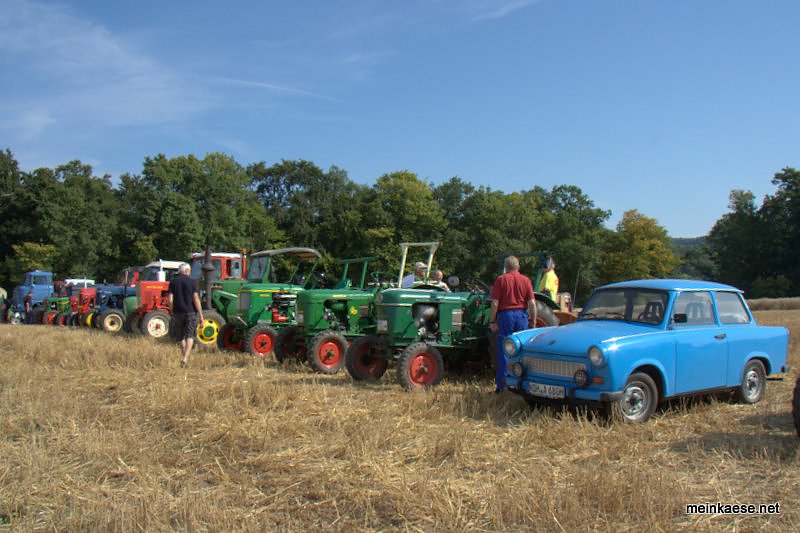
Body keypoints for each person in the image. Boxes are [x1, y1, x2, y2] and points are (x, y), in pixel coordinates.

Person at [488, 256, 537, 393]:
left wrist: (492, 321)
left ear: (506, 267)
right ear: (518, 267)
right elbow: (532, 303)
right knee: (522, 349)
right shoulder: (526, 280)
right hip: (521, 316)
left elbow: (495, 303)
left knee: (505, 349)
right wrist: (533, 321)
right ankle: (523, 384)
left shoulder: (501, 279)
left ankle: (502, 386)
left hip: (506, 316)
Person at [168, 263, 204, 368]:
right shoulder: (192, 282)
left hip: (177, 312)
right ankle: (185, 358)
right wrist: (201, 316)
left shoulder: (173, 282)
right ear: (187, 271)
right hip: (190, 312)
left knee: (180, 336)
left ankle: (184, 356)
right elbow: (196, 299)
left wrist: (172, 311)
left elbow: (170, 300)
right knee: (190, 335)